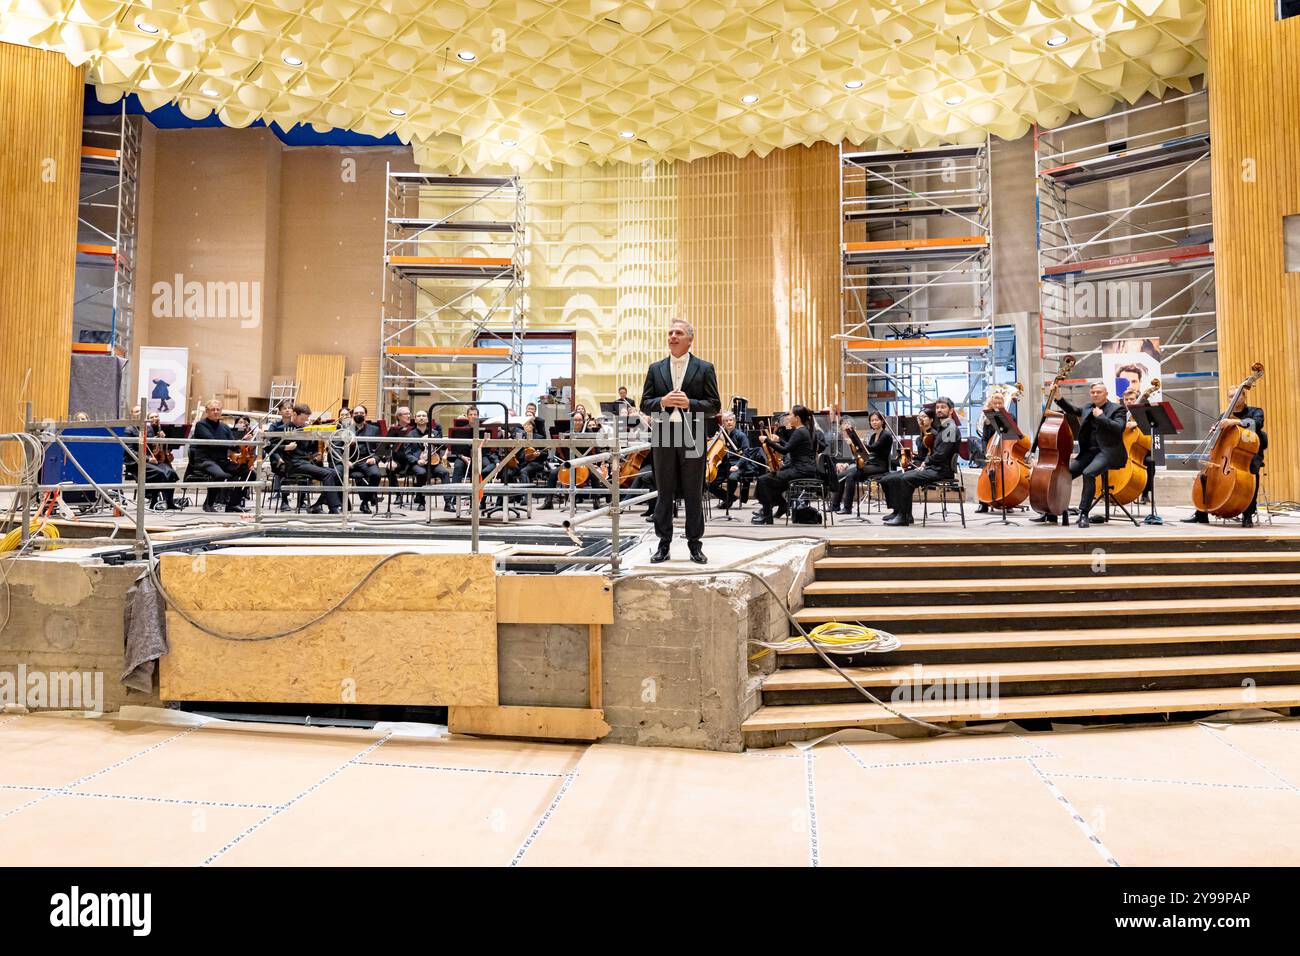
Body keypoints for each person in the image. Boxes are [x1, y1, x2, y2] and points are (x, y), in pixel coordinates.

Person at [640, 318, 722, 564]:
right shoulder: (656, 368)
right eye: (670, 333)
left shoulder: (705, 368)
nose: (672, 336)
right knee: (664, 492)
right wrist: (662, 402)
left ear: (690, 339)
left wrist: (691, 404)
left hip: (692, 431)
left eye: (678, 333)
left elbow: (714, 405)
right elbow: (645, 403)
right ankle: (663, 545)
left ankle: (695, 545)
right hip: (664, 431)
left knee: (693, 493)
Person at [1040, 380, 1127, 528]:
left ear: (1106, 394)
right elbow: (1073, 410)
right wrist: (1059, 398)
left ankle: (1083, 513)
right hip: (1089, 452)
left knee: (1089, 473)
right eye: (1092, 392)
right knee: (1064, 473)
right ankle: (1052, 512)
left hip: (1107, 452)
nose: (1095, 394)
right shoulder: (1088, 407)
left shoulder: (1117, 409)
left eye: (1098, 392)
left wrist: (1101, 417)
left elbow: (1119, 428)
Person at [1184, 384, 1266, 529]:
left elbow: (1256, 424)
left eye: (1237, 395)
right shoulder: (1224, 416)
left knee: (1253, 473)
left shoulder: (1255, 411)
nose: (1233, 398)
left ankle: (1248, 514)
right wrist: (1216, 430)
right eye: (1230, 396)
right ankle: (1201, 513)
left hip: (1250, 455)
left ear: (1244, 396)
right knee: (1208, 475)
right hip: (1225, 457)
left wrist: (1235, 422)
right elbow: (1219, 441)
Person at [877, 398, 962, 526]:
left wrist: (926, 463)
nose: (939, 410)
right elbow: (935, 452)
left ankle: (903, 517)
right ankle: (903, 514)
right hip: (934, 467)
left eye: (943, 407)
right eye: (937, 407)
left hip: (941, 470)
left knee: (905, 478)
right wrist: (926, 462)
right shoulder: (943, 427)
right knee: (900, 477)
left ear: (951, 410)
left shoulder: (950, 428)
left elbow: (941, 454)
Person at [752, 407, 818, 524]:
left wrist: (767, 440)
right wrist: (779, 441)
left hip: (800, 470)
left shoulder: (799, 431)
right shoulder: (803, 430)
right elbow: (790, 447)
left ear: (797, 418)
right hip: (802, 468)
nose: (788, 417)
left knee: (763, 481)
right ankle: (780, 506)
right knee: (770, 482)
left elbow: (785, 451)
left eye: (790, 414)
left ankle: (767, 516)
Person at [279, 403, 342, 514]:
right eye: (302, 418)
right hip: (294, 464)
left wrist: (319, 439)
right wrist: (286, 447)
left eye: (306, 419)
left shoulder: (306, 429)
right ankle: (334, 508)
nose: (304, 422)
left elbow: (312, 450)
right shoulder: (282, 429)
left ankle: (317, 505)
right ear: (294, 414)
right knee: (328, 474)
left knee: (337, 473)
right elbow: (270, 446)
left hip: (306, 463)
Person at [188, 400, 246, 513]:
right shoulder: (201, 425)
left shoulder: (225, 427)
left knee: (249, 472)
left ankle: (233, 504)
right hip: (205, 460)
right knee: (220, 475)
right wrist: (233, 444)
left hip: (222, 461)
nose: (216, 412)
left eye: (218, 409)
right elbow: (212, 442)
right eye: (213, 410)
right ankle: (208, 504)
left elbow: (234, 446)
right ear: (207, 411)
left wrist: (243, 443)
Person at [833, 411, 892, 515]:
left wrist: (859, 443)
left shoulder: (886, 435)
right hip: (870, 464)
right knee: (841, 475)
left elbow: (873, 448)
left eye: (877, 420)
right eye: (872, 420)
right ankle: (835, 505)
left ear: (882, 421)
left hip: (880, 466)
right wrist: (858, 447)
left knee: (851, 476)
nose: (874, 422)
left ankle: (847, 508)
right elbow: (866, 454)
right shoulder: (873, 436)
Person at [707, 412, 764, 513]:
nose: (729, 422)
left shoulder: (741, 435)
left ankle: (727, 501)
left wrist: (737, 466)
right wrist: (715, 440)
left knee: (732, 477)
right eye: (726, 420)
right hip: (725, 465)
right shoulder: (722, 434)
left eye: (731, 420)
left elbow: (746, 454)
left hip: (738, 464)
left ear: (734, 421)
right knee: (709, 484)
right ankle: (730, 498)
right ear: (723, 423)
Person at [346, 405, 383, 513]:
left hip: (366, 461)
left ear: (366, 415)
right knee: (334, 473)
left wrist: (375, 459)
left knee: (376, 474)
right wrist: (345, 460)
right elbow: (339, 448)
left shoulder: (374, 429)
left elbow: (380, 448)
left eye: (361, 413)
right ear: (352, 415)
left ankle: (365, 502)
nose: (359, 415)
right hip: (350, 461)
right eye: (356, 413)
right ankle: (340, 503)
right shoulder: (346, 429)